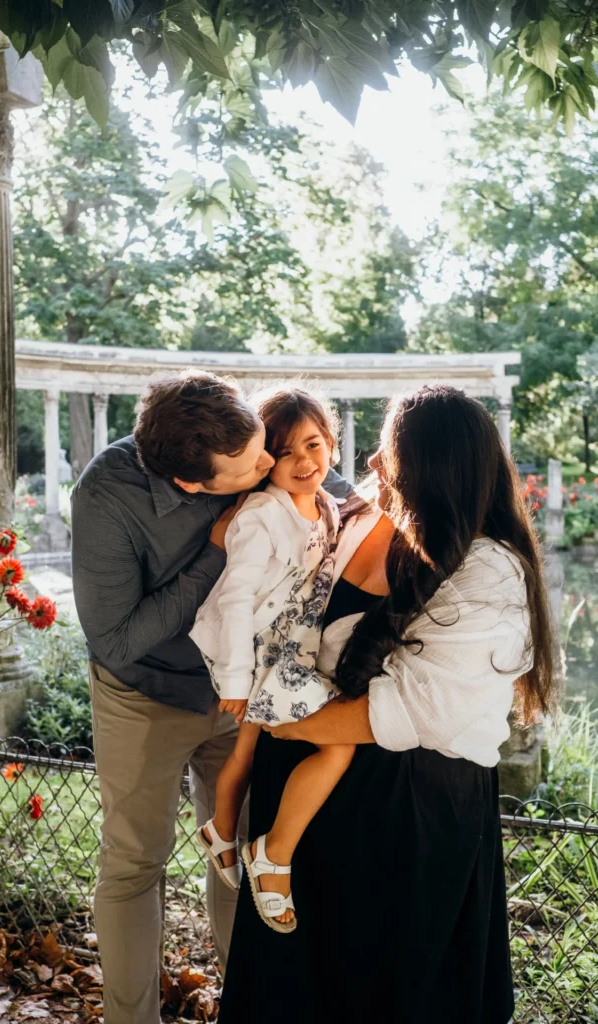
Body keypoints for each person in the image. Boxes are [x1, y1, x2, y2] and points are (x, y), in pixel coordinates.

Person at [218, 384, 557, 1024]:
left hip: (408, 819)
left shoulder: (489, 571)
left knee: (386, 989)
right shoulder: (357, 513)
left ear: (431, 469)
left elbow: (417, 708)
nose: (372, 463)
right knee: (295, 990)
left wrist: (283, 723)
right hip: (312, 800)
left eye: (389, 453)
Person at [70, 370, 352, 1024]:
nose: (268, 466)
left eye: (264, 450)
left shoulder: (247, 443)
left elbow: (332, 490)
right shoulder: (107, 493)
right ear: (194, 484)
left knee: (244, 851)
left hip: (242, 699)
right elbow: (116, 638)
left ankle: (248, 1009)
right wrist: (216, 554)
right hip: (144, 691)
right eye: (253, 465)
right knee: (135, 865)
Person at [190, 387, 377, 933]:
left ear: (332, 446)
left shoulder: (327, 506)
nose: (303, 461)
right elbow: (234, 599)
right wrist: (235, 680)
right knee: (338, 744)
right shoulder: (261, 515)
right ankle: (273, 854)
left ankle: (220, 829)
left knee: (246, 750)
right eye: (285, 451)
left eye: (313, 445)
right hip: (256, 653)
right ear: (264, 459)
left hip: (290, 647)